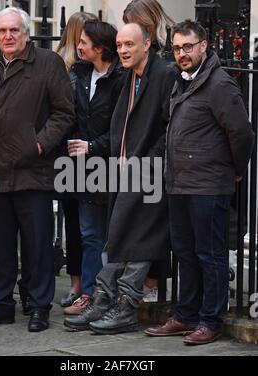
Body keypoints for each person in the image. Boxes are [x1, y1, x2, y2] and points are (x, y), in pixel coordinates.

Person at [0, 7, 75, 332]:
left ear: (26, 33)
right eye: (2, 31)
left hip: (32, 172)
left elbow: (64, 113)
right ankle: (0, 305)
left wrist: (38, 145)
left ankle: (38, 306)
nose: (8, 36)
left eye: (15, 31)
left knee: (37, 247)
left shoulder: (47, 64)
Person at [144, 20, 255, 345]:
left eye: (188, 47)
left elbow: (243, 134)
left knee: (210, 254)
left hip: (209, 185)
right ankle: (186, 315)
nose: (182, 53)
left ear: (204, 46)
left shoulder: (219, 85)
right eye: (177, 48)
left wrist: (234, 169)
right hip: (180, 184)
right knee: (185, 252)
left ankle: (211, 319)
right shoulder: (183, 82)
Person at [64, 23, 174, 333]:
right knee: (117, 236)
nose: (124, 50)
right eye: (120, 44)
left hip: (149, 172)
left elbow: (169, 126)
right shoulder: (129, 76)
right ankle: (104, 299)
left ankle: (126, 305)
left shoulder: (164, 74)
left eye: (130, 44)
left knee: (139, 240)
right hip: (122, 172)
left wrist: (146, 161)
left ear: (147, 44)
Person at [63, 20, 127, 316]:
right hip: (81, 168)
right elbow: (72, 115)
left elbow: (122, 127)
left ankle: (112, 295)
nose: (79, 46)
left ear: (100, 48)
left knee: (116, 234)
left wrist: (92, 146)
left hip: (113, 166)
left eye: (84, 42)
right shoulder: (80, 72)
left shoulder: (121, 79)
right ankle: (89, 293)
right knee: (89, 233)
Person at [123, 0, 175, 301]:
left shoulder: (164, 63)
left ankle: (153, 284)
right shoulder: (137, 62)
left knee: (151, 224)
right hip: (137, 157)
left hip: (156, 159)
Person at [56, 11, 98, 308]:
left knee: (93, 226)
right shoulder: (61, 65)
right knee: (73, 221)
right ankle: (76, 282)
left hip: (93, 152)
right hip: (68, 154)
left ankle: (89, 284)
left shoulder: (93, 68)